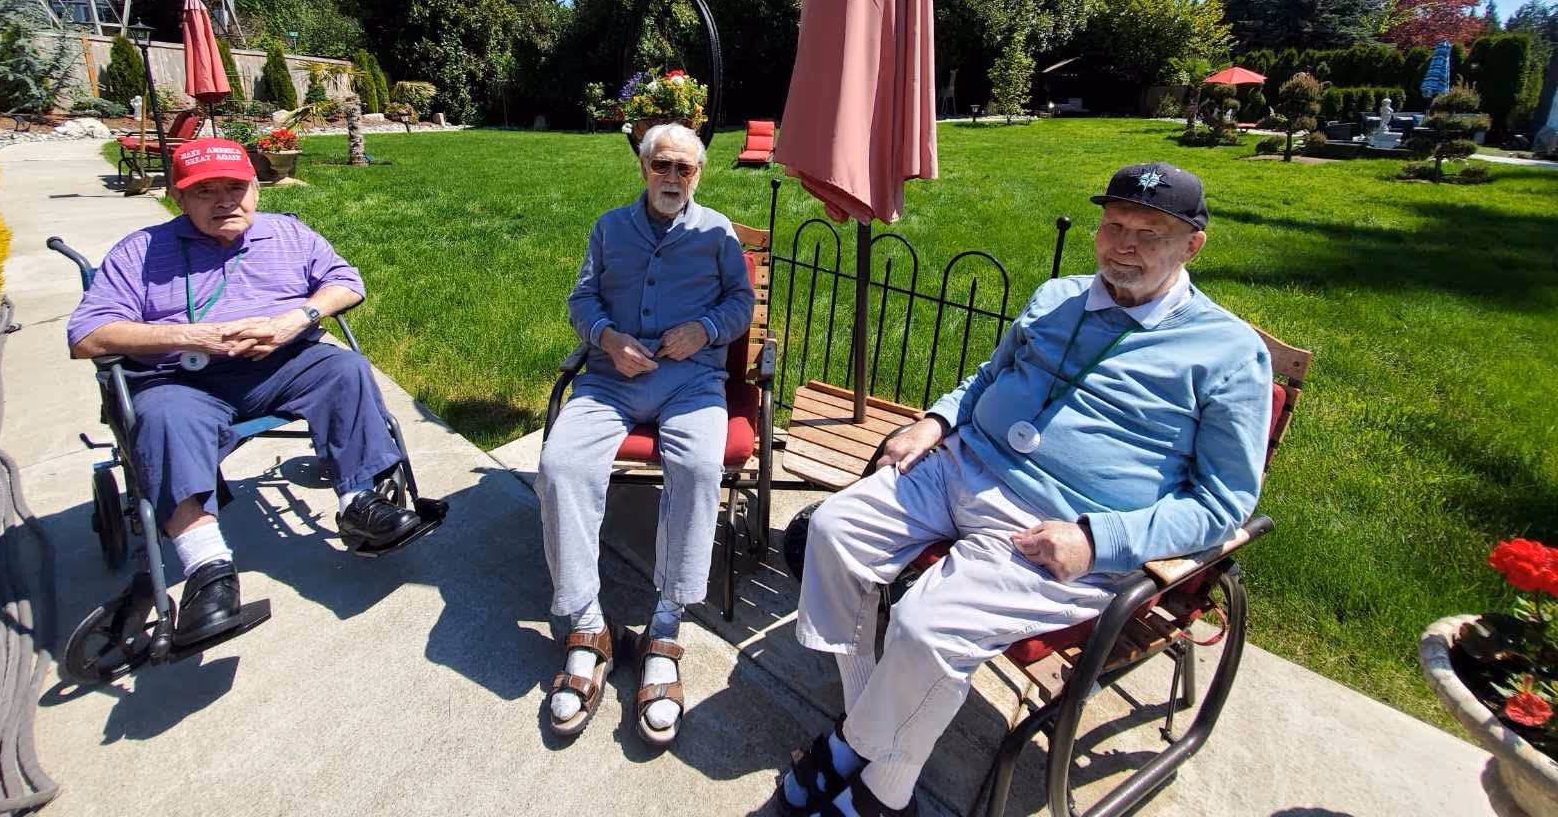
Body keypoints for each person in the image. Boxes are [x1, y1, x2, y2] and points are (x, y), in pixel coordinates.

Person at [780, 162, 1272, 817]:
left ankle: (881, 786)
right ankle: (864, 724)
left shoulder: (1229, 353)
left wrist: (1098, 541)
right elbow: (988, 376)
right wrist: (937, 418)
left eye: (1149, 233)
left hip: (1052, 528)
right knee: (834, 531)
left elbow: (1224, 501)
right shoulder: (1058, 296)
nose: (1124, 243)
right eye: (1115, 225)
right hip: (960, 465)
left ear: (1192, 245)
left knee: (926, 627)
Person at [67, 138, 428, 648]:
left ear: (254, 187)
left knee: (344, 369)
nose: (225, 202)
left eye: (236, 187)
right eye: (205, 191)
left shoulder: (288, 234)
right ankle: (208, 571)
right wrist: (193, 335)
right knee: (164, 419)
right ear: (177, 195)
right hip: (182, 380)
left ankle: (357, 501)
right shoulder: (140, 252)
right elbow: (86, 336)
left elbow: (347, 281)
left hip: (281, 363)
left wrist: (295, 319)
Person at [537, 122, 755, 745]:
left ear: (698, 176)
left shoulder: (717, 234)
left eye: (684, 169)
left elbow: (741, 305)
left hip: (692, 383)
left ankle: (665, 624)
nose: (672, 178)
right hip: (610, 379)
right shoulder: (609, 229)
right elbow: (580, 301)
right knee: (560, 466)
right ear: (643, 169)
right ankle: (585, 623)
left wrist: (706, 331)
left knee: (697, 468)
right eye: (662, 165)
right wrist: (606, 338)